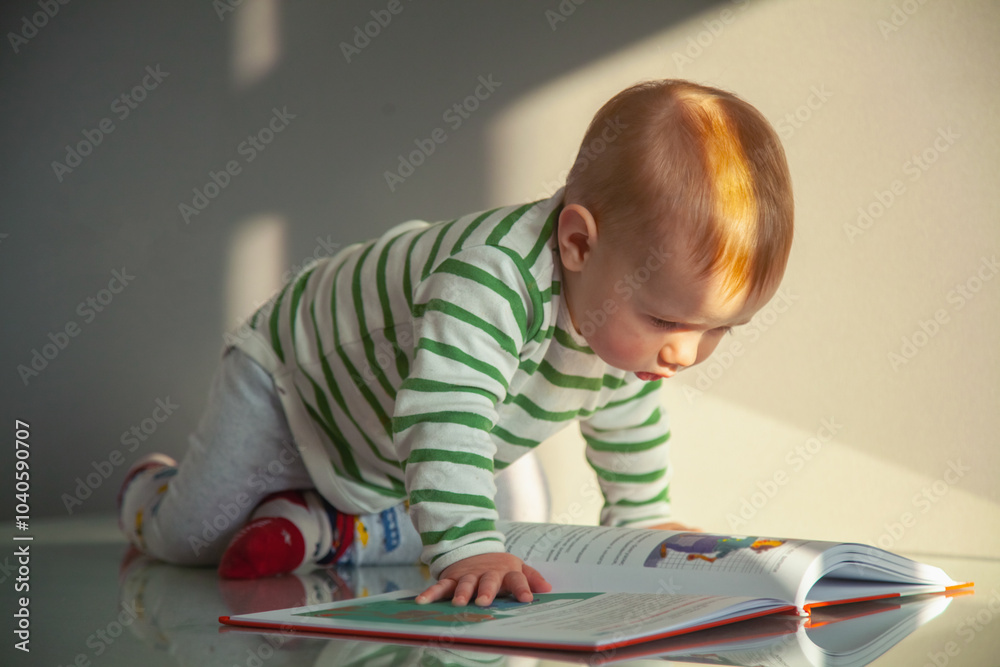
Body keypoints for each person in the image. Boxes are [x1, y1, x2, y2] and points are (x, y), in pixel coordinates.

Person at [118, 78, 794, 608]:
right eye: (670, 322)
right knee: (190, 539)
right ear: (579, 243)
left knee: (522, 518)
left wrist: (642, 518)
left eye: (718, 329)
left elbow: (626, 420)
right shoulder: (491, 280)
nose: (685, 352)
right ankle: (151, 487)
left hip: (390, 435)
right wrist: (469, 547)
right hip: (297, 386)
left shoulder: (622, 311)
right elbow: (444, 418)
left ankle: (327, 525)